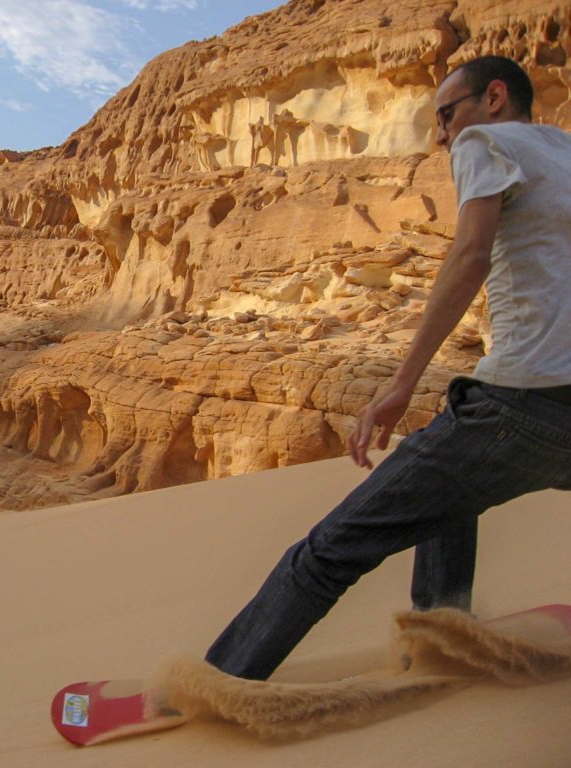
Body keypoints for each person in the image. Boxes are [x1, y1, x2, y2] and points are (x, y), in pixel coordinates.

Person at [204, 56, 571, 681]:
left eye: (446, 115)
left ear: (494, 98)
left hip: (518, 405)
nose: (441, 135)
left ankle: (214, 684)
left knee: (328, 551)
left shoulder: (485, 140)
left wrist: (400, 384)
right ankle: (441, 630)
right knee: (454, 491)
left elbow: (471, 254)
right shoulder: (561, 152)